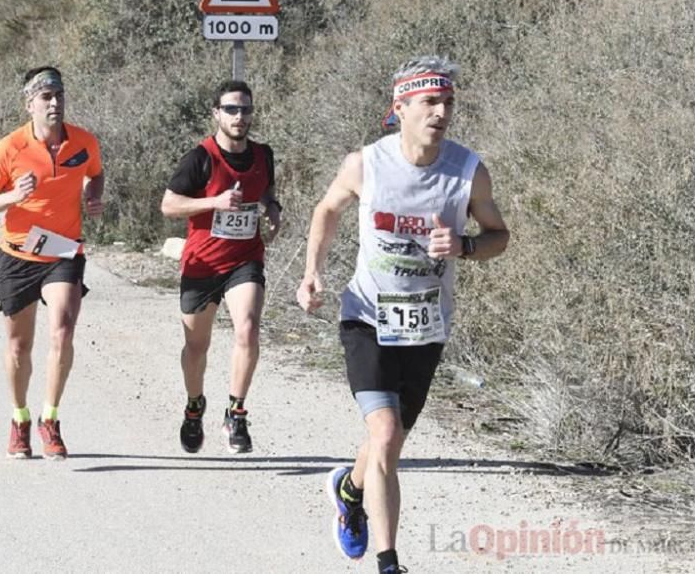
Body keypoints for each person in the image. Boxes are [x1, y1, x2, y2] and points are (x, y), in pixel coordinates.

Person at [296, 56, 509, 574]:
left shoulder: (467, 170)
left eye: (448, 103)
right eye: (429, 102)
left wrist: (462, 245)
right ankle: (389, 562)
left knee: (385, 442)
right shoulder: (366, 163)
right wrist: (313, 272)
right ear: (401, 108)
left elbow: (499, 237)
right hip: (366, 316)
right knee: (387, 435)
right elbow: (327, 210)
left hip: (426, 325)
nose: (441, 112)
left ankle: (349, 488)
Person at [0, 66, 104, 460]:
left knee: (62, 329)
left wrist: (93, 196)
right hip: (17, 254)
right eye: (46, 97)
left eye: (59, 95)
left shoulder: (83, 141)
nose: (55, 103)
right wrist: (11, 197)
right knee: (18, 346)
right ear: (29, 104)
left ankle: (50, 419)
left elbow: (95, 173)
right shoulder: (8, 149)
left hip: (63, 250)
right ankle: (20, 419)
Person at [160, 80, 282, 454]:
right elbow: (169, 205)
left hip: (244, 259)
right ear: (216, 114)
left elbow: (265, 192)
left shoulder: (263, 154)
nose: (239, 116)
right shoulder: (200, 158)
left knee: (248, 328)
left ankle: (236, 412)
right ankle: (194, 407)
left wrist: (272, 210)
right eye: (231, 109)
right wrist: (213, 203)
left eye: (245, 109)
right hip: (202, 264)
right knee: (197, 346)